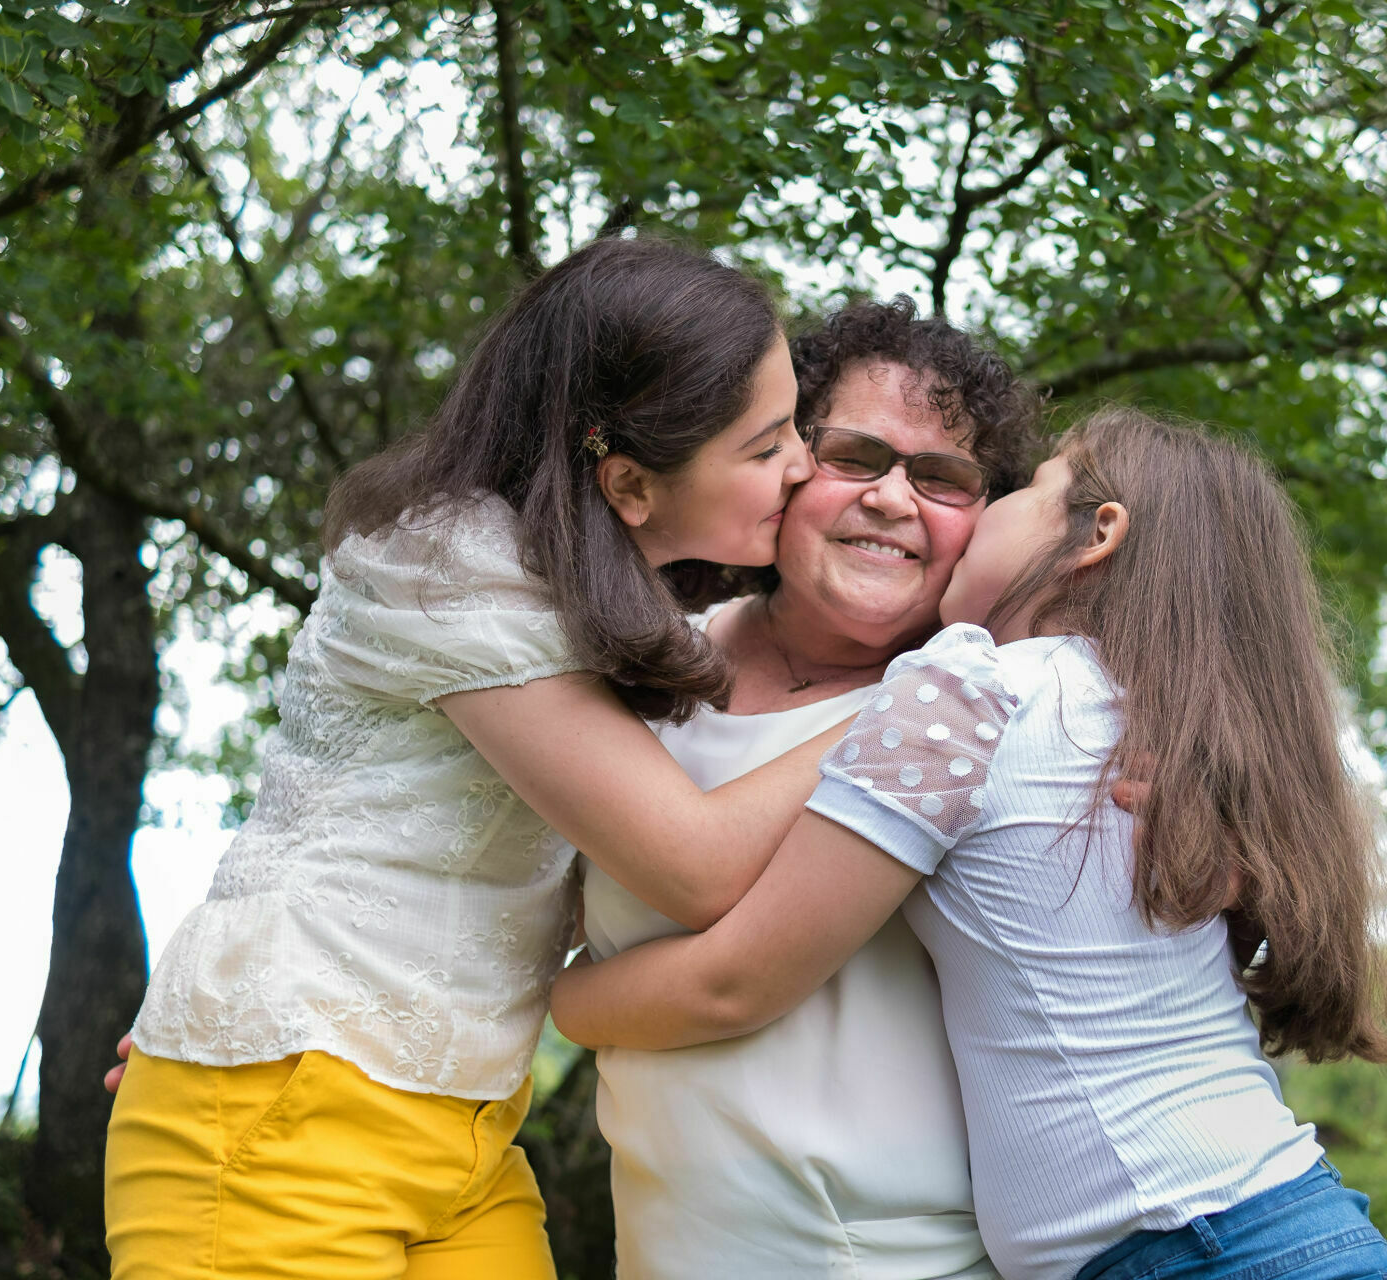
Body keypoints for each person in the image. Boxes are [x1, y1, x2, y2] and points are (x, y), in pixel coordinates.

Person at [104, 235, 848, 1280]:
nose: (804, 466)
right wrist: (937, 694)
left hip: (455, 1124)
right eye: (768, 446)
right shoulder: (452, 566)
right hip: (291, 1110)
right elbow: (696, 861)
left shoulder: (589, 591)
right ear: (630, 482)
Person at [550, 407, 1387, 1280]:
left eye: (1027, 488)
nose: (987, 514)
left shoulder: (967, 691)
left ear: (1098, 533)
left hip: (1193, 1247)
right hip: (1277, 1218)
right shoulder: (1151, 717)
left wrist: (558, 997)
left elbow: (736, 981)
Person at [584, 297, 1037, 1278]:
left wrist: (562, 1000)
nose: (893, 498)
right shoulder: (638, 670)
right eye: (857, 455)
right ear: (784, 463)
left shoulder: (1000, 714)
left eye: (945, 477)